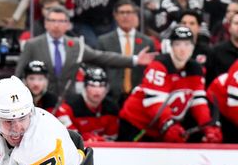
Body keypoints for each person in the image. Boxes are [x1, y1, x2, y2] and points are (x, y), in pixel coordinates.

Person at [16, 6, 156, 98]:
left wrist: (135, 60)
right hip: (39, 102)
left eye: (61, 21)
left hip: (67, 102)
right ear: (45, 23)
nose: (56, 25)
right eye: (52, 21)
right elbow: (18, 74)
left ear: (68, 24)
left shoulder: (76, 45)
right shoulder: (32, 45)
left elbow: (102, 57)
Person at [119, 26, 222, 143]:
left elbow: (198, 101)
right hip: (136, 123)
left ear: (193, 47)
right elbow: (154, 102)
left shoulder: (196, 69)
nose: (183, 49)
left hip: (159, 127)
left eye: (187, 44)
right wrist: (169, 124)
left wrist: (208, 125)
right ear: (171, 46)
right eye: (178, 44)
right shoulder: (159, 65)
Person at [98, 0, 156, 105]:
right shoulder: (104, 41)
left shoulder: (147, 42)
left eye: (129, 12)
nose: (125, 16)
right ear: (115, 16)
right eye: (122, 12)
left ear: (135, 15)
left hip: (139, 97)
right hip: (111, 98)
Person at [55, 67, 120, 141]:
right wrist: (87, 138)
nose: (97, 90)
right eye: (92, 85)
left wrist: (97, 140)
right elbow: (67, 135)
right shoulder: (68, 106)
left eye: (101, 86)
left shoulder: (112, 108)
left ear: (106, 88)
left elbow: (112, 138)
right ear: (85, 87)